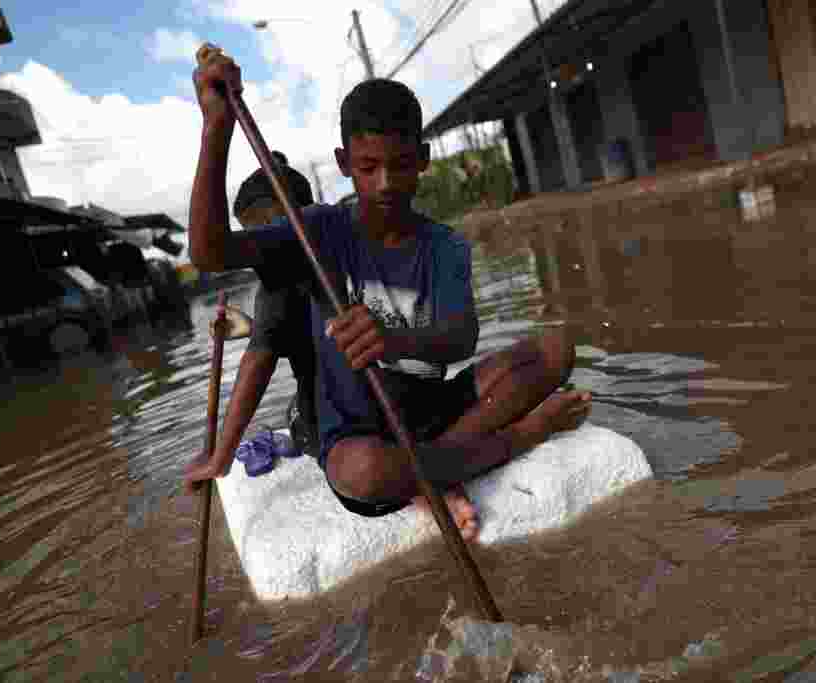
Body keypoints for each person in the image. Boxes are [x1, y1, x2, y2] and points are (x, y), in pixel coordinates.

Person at [184, 44, 593, 542]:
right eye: (368, 166)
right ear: (343, 164)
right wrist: (216, 130)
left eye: (401, 165)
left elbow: (460, 339)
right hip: (359, 434)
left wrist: (393, 339)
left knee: (556, 348)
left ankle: (429, 466)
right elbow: (209, 254)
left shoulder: (444, 245)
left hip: (432, 410)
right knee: (363, 473)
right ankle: (519, 437)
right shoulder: (320, 231)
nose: (385, 183)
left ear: (422, 160)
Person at [186, 151, 317, 488]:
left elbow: (259, 361)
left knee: (298, 419)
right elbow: (304, 330)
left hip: (337, 423)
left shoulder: (276, 284)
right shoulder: (337, 250)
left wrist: (220, 458)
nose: (256, 243)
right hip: (387, 398)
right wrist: (251, 327)